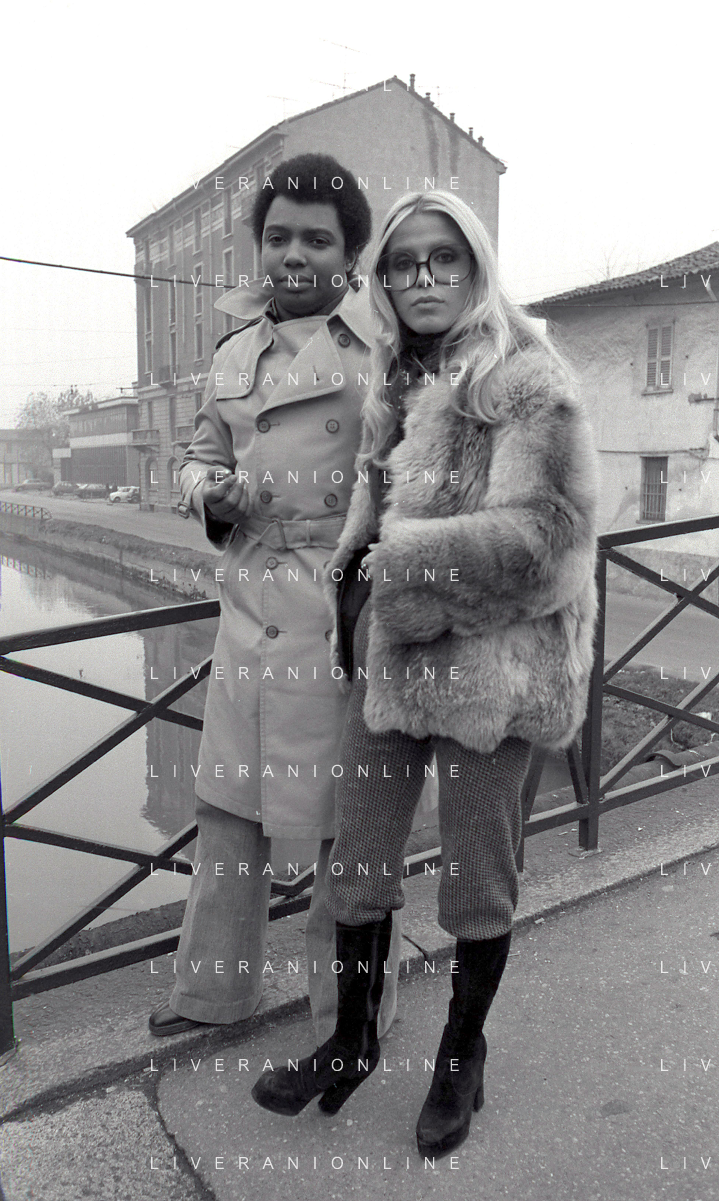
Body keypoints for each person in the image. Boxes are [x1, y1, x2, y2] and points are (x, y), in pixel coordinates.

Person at [251, 190, 599, 1154]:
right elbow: (374, 505)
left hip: (496, 668)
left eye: (443, 258)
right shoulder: (399, 376)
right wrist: (357, 589)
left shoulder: (527, 378)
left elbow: (551, 542)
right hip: (395, 660)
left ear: (475, 263)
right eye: (403, 263)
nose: (423, 277)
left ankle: (460, 1055)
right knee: (357, 864)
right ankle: (351, 1042)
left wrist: (402, 566)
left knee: (477, 879)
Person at [149, 154, 403, 1041]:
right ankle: (210, 993)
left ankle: (353, 1015)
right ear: (259, 246)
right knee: (226, 811)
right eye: (278, 236)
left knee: (350, 826)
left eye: (317, 240)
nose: (294, 255)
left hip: (344, 611)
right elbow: (196, 456)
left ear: (351, 254)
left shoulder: (386, 349)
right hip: (249, 609)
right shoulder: (230, 355)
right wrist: (207, 494)